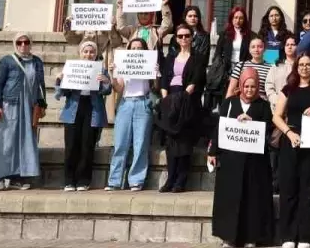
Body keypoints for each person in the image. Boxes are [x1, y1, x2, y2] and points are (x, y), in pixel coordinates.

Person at [207, 67, 275, 248]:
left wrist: (253, 123)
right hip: (230, 161)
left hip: (254, 163)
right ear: (241, 86)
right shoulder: (229, 103)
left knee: (253, 199)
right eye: (246, 86)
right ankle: (228, 236)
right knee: (229, 198)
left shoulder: (263, 106)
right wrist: (213, 152)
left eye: (253, 87)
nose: (249, 90)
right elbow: (218, 129)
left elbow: (268, 129)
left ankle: (251, 236)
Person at [272, 52, 310, 248]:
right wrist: (289, 133)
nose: (304, 68)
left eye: (308, 65)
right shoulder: (288, 89)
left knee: (308, 189)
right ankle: (288, 235)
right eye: (301, 65)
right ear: (296, 67)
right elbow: (277, 116)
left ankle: (305, 236)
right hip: (291, 141)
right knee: (288, 188)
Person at [0, 33, 46, 191]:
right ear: (15, 44)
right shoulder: (7, 60)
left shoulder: (36, 61)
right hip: (11, 104)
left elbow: (41, 84)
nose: (23, 45)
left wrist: (42, 103)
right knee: (6, 140)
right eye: (20, 42)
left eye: (26, 42)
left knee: (24, 141)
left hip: (29, 106)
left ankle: (17, 177)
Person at [55, 40, 111, 192]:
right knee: (72, 145)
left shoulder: (101, 70)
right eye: (85, 51)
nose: (88, 54)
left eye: (91, 52)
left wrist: (105, 82)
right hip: (74, 107)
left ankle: (83, 180)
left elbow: (106, 91)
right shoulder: (71, 68)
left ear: (96, 54)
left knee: (87, 145)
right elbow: (61, 94)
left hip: (92, 108)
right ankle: (68, 180)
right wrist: (60, 80)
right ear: (80, 53)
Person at [156, 25, 206, 193]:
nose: (183, 39)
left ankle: (181, 180)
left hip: (187, 100)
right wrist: (165, 98)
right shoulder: (171, 57)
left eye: (186, 36)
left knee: (184, 143)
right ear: (176, 39)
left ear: (192, 37)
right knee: (171, 144)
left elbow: (196, 78)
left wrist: (183, 97)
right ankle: (170, 179)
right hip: (170, 99)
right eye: (180, 36)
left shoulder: (198, 57)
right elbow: (164, 78)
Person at [106, 37, 154, 192]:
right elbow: (118, 88)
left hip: (143, 103)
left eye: (139, 48)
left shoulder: (149, 63)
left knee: (140, 144)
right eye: (133, 48)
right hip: (125, 103)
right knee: (120, 144)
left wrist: (156, 71)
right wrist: (113, 74)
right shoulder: (123, 63)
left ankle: (136, 181)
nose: (136, 50)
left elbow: (156, 87)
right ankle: (114, 181)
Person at [206, 7, 252, 111]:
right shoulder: (225, 34)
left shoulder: (249, 35)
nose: (238, 20)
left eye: (241, 18)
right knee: (225, 94)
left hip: (242, 67)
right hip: (226, 68)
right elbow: (217, 53)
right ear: (231, 19)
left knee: (239, 94)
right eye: (235, 17)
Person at [264, 34, 301, 113]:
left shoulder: (301, 66)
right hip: (277, 108)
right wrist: (277, 100)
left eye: (293, 44)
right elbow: (269, 85)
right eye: (287, 45)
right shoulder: (276, 66)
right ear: (283, 47)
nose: (289, 47)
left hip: (296, 109)